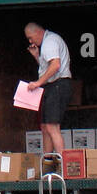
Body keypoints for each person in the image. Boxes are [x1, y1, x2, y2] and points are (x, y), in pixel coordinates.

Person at [24, 21, 72, 157]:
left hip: (58, 84)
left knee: (52, 126)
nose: (30, 41)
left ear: (38, 32)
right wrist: (36, 56)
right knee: (45, 127)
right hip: (52, 86)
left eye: (30, 37)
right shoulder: (46, 44)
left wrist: (38, 83)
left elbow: (55, 65)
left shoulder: (50, 42)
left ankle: (62, 166)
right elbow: (48, 67)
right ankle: (48, 162)